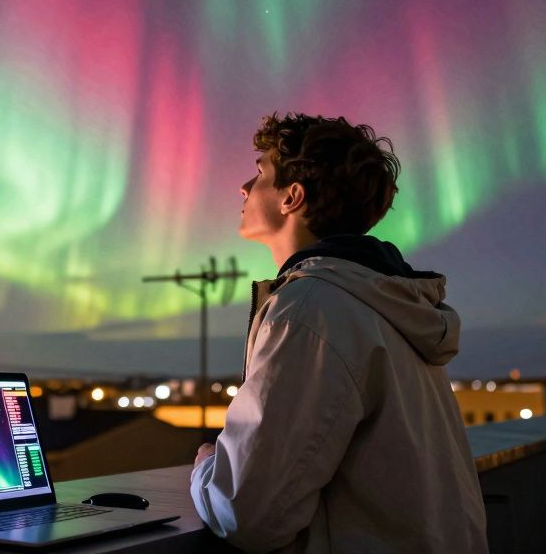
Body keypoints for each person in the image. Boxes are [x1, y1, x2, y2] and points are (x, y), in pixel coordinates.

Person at [189, 112, 488, 553]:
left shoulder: (311, 309)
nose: (244, 188)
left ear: (292, 197)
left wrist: (206, 468)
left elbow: (247, 512)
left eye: (259, 174)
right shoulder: (383, 301)